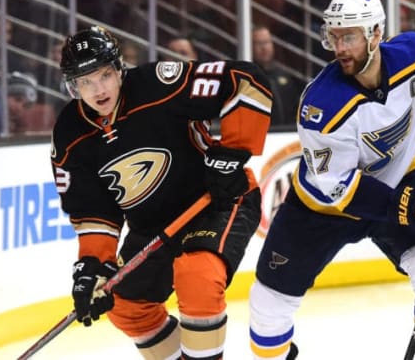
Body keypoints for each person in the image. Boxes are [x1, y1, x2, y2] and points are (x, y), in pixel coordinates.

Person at [248, 0, 415, 360]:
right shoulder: (321, 105)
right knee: (266, 310)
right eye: (333, 37)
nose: (339, 48)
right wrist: (404, 205)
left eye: (348, 36)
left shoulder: (414, 54)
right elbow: (335, 188)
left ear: (376, 34)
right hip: (319, 210)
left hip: (396, 184)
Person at [51, 26, 272, 359]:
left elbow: (244, 79)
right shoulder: (70, 135)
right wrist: (93, 267)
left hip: (216, 201)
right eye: (86, 82)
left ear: (119, 69)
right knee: (126, 306)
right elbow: (93, 212)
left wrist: (233, 152)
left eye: (104, 75)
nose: (98, 90)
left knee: (198, 276)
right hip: (153, 226)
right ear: (73, 86)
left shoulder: (158, 84)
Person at [251, 25, 304, 127]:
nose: (264, 48)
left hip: (286, 135)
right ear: (250, 47)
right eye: (259, 43)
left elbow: (295, 108)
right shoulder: (247, 77)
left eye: (267, 42)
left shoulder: (284, 75)